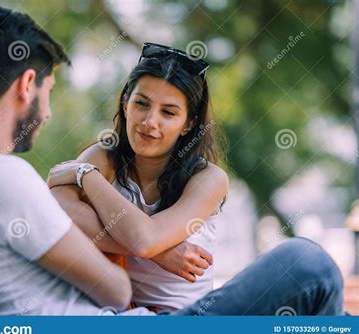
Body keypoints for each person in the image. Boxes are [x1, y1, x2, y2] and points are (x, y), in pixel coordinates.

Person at [0, 6, 344, 316]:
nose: (48, 111)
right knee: (308, 263)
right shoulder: (7, 177)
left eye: (169, 112)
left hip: (171, 315)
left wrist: (89, 185)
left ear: (188, 124)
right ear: (26, 84)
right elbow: (116, 289)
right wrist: (148, 245)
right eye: (49, 92)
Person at [48, 42, 226, 312]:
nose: (149, 121)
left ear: (188, 124)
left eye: (168, 112)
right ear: (125, 104)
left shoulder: (208, 179)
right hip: (116, 314)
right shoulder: (104, 157)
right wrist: (162, 253)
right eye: (142, 104)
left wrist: (85, 174)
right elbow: (56, 207)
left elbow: (146, 240)